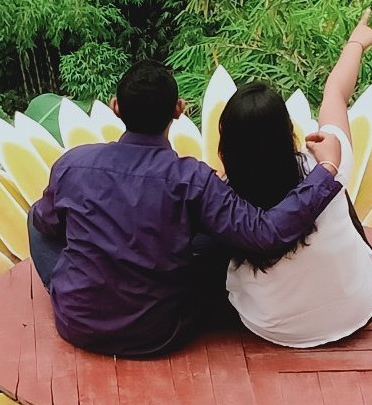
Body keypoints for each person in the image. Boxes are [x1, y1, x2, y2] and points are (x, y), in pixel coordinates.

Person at [28, 59, 344, 357]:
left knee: (36, 218)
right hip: (157, 334)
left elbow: (47, 224)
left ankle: (73, 288)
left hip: (77, 323)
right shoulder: (192, 179)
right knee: (217, 237)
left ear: (116, 107)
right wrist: (326, 169)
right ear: (179, 111)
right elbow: (265, 232)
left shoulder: (73, 164)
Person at [219, 9, 372, 347]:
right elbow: (335, 94)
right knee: (338, 190)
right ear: (288, 132)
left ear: (227, 144)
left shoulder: (222, 199)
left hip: (272, 327)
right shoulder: (326, 160)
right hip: (358, 308)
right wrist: (356, 42)